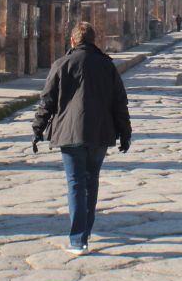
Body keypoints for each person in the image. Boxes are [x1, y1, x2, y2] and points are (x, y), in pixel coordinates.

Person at [32, 21, 132, 254]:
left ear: (72, 41)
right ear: (94, 41)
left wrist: (38, 129)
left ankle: (78, 240)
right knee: (91, 181)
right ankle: (85, 233)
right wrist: (125, 133)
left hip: (69, 134)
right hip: (99, 133)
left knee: (76, 183)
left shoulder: (61, 64)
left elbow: (46, 101)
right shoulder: (107, 66)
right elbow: (120, 103)